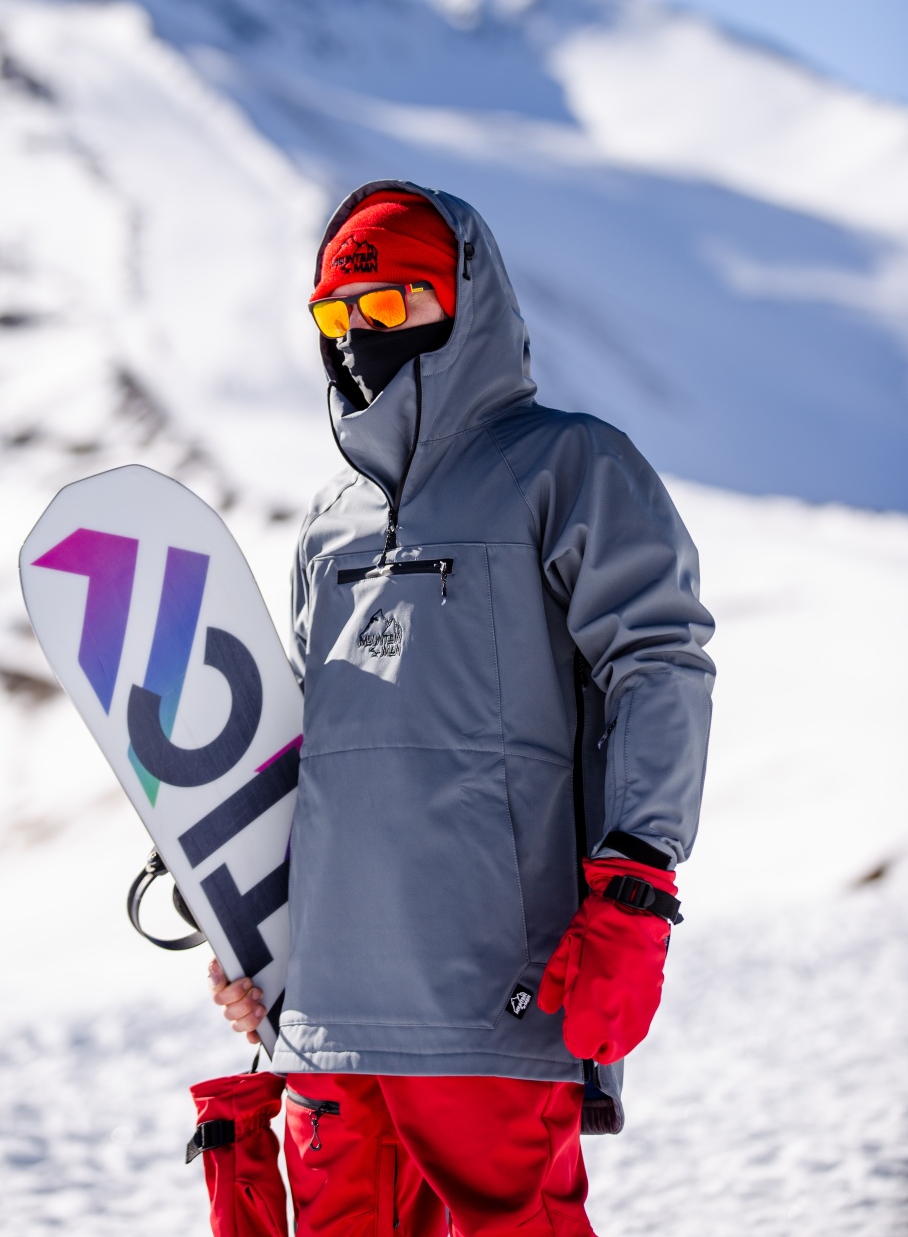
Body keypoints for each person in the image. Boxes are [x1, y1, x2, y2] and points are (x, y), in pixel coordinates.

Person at [205, 183, 715, 1236]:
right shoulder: (329, 522)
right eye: (336, 313)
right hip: (329, 1018)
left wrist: (636, 881)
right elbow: (304, 759)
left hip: (493, 1004)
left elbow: (657, 663)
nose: (357, 336)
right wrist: (255, 934)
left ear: (462, 304)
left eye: (389, 305)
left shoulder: (566, 466)